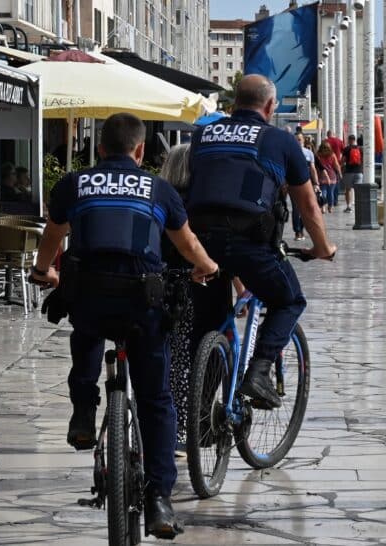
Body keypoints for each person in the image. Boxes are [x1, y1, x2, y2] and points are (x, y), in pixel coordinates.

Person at [30, 113, 218, 538]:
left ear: (99, 149)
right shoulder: (158, 189)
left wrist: (43, 271)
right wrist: (207, 266)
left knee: (85, 328)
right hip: (142, 303)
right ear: (140, 150)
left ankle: (83, 410)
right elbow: (186, 243)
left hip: (90, 298)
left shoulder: (74, 184)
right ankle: (159, 499)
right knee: (157, 399)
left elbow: (52, 235)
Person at [186, 74, 337, 410]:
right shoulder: (280, 140)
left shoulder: (203, 135)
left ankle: (201, 413)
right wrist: (322, 247)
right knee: (289, 301)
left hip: (199, 243)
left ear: (234, 102)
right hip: (249, 242)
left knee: (208, 323)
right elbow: (307, 204)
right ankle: (259, 371)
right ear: (270, 106)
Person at [158, 143, 197, 455]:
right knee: (183, 360)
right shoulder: (196, 202)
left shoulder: (157, 197)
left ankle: (153, 428)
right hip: (189, 284)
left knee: (160, 358)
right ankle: (180, 429)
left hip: (155, 283)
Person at [292, 133, 321, 240]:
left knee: (306, 207)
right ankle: (298, 231)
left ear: (303, 140)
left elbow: (313, 169)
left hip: (307, 183)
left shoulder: (309, 153)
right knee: (296, 209)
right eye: (296, 140)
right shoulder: (290, 153)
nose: (298, 142)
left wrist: (316, 183)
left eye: (299, 139)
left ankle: (302, 228)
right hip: (293, 184)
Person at [315, 141, 341, 213]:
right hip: (332, 175)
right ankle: (330, 206)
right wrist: (340, 173)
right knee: (330, 192)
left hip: (321, 175)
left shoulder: (318, 155)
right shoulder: (332, 155)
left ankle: (323, 206)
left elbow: (316, 166)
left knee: (323, 192)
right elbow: (336, 165)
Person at [340, 134, 362, 213]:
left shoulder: (346, 149)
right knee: (358, 190)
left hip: (349, 172)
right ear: (355, 140)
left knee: (348, 189)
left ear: (349, 140)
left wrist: (341, 167)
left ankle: (349, 207)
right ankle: (359, 205)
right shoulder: (359, 149)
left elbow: (343, 160)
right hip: (359, 172)